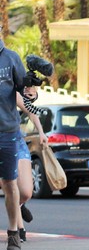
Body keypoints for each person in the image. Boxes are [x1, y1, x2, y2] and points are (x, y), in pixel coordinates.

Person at [0, 39, 36, 250]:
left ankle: (13, 233)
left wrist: (32, 91)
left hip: (7, 132)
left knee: (10, 183)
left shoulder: (11, 57)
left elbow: (26, 92)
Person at [15, 88, 48, 241]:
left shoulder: (9, 88)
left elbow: (29, 106)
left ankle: (20, 206)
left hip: (16, 141)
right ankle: (17, 230)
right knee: (10, 187)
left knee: (27, 192)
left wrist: (41, 132)